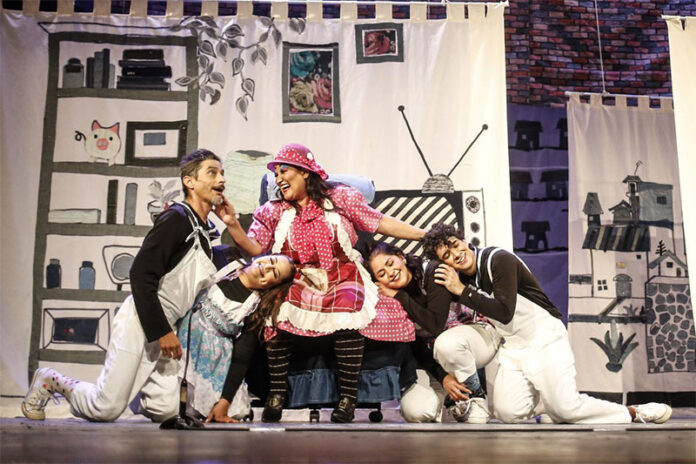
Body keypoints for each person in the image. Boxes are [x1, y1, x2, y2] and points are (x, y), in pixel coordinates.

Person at [22, 149, 234, 422]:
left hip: (168, 325)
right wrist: (161, 331)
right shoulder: (176, 219)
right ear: (189, 181)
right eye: (212, 173)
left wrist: (232, 223)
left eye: (222, 173)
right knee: (105, 409)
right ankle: (51, 379)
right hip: (143, 320)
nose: (221, 179)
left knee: (169, 410)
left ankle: (128, 386)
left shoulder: (204, 231)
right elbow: (140, 274)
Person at [218, 143, 424, 423]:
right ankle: (277, 393)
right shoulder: (273, 210)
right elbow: (256, 247)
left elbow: (379, 222)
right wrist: (232, 224)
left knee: (349, 308)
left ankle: (348, 398)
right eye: (276, 174)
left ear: (304, 171)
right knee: (277, 309)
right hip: (297, 275)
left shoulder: (341, 198)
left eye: (284, 170)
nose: (278, 178)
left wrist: (423, 235)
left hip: (342, 272)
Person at [422, 223, 673, 424]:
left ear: (464, 240)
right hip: (513, 348)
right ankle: (549, 403)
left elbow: (504, 312)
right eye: (447, 256)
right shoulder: (463, 280)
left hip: (544, 337)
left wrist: (461, 291)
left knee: (567, 410)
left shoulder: (497, 259)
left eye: (455, 245)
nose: (456, 254)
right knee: (507, 413)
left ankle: (632, 412)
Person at [366, 242, 500, 423]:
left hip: (475, 338)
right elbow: (415, 346)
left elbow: (435, 324)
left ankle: (476, 398)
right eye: (381, 274)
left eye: (390, 263)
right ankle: (451, 402)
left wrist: (400, 296)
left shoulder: (432, 271)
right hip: (437, 358)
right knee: (415, 412)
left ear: (401, 257)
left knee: (447, 344)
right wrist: (443, 377)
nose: (390, 273)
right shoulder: (388, 300)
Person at [177, 254, 295, 421]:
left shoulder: (255, 309)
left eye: (274, 273)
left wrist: (224, 402)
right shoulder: (224, 265)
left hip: (212, 363)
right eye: (271, 261)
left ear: (271, 286)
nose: (268, 267)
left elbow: (241, 359)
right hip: (182, 344)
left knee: (228, 410)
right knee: (169, 406)